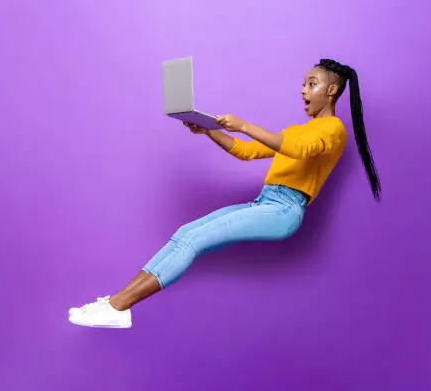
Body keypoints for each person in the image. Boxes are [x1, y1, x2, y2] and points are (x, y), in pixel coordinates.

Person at [67, 58, 381, 328]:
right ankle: (115, 304)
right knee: (186, 232)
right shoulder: (297, 129)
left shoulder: (333, 130)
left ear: (331, 90)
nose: (302, 90)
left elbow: (297, 150)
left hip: (284, 210)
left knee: (193, 240)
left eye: (311, 84)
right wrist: (209, 131)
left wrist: (243, 124)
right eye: (303, 83)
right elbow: (245, 152)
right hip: (266, 202)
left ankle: (118, 308)